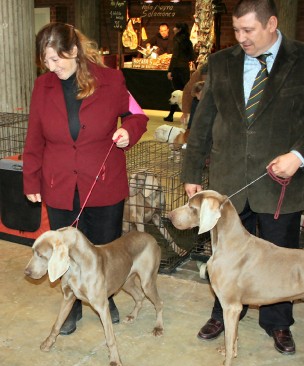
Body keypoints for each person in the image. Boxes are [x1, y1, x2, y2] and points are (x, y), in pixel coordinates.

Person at [181, 0, 304, 355]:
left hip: (280, 184)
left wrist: (298, 157)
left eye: (249, 30)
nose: (242, 38)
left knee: (282, 260)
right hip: (228, 184)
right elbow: (203, 120)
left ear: (272, 23)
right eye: (237, 31)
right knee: (224, 256)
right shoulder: (221, 62)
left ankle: (278, 323)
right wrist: (192, 172)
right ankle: (221, 313)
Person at [23, 23, 148, 335]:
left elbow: (138, 115)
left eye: (57, 59)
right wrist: (31, 179)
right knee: (64, 249)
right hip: (59, 183)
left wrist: (127, 132)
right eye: (46, 62)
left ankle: (106, 295)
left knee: (105, 247)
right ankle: (73, 304)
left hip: (104, 180)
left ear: (74, 51)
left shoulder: (112, 79)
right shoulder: (43, 87)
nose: (53, 68)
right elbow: (34, 136)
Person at [164, 22, 195, 122]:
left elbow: (175, 56)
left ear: (179, 29)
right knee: (186, 93)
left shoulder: (176, 40)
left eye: (175, 27)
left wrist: (170, 70)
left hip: (177, 69)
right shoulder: (188, 40)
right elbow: (192, 56)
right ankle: (188, 114)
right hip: (185, 68)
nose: (173, 29)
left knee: (175, 93)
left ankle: (171, 115)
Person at [180, 61, 208, 127]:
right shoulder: (197, 74)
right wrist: (185, 113)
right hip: (196, 101)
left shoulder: (221, 75)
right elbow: (187, 91)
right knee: (192, 124)